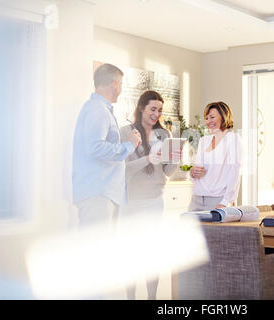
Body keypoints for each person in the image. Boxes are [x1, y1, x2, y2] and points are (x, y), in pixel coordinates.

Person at [119, 90, 181, 300]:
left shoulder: (165, 135)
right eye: (153, 109)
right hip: (131, 203)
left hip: (155, 201)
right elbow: (123, 169)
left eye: (160, 110)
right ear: (141, 108)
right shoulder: (125, 132)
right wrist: (148, 158)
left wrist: (175, 157)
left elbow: (167, 172)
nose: (156, 114)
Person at [72, 63, 142, 229]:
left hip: (103, 193)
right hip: (98, 194)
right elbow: (96, 147)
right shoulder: (98, 110)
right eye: (121, 84)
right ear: (114, 84)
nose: (121, 89)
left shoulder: (99, 109)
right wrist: (129, 145)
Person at [188, 101, 242, 211]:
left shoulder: (233, 140)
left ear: (223, 117)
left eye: (212, 117)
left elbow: (235, 173)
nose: (208, 121)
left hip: (217, 200)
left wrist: (225, 201)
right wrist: (193, 173)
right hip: (196, 199)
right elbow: (198, 172)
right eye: (206, 118)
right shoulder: (204, 140)